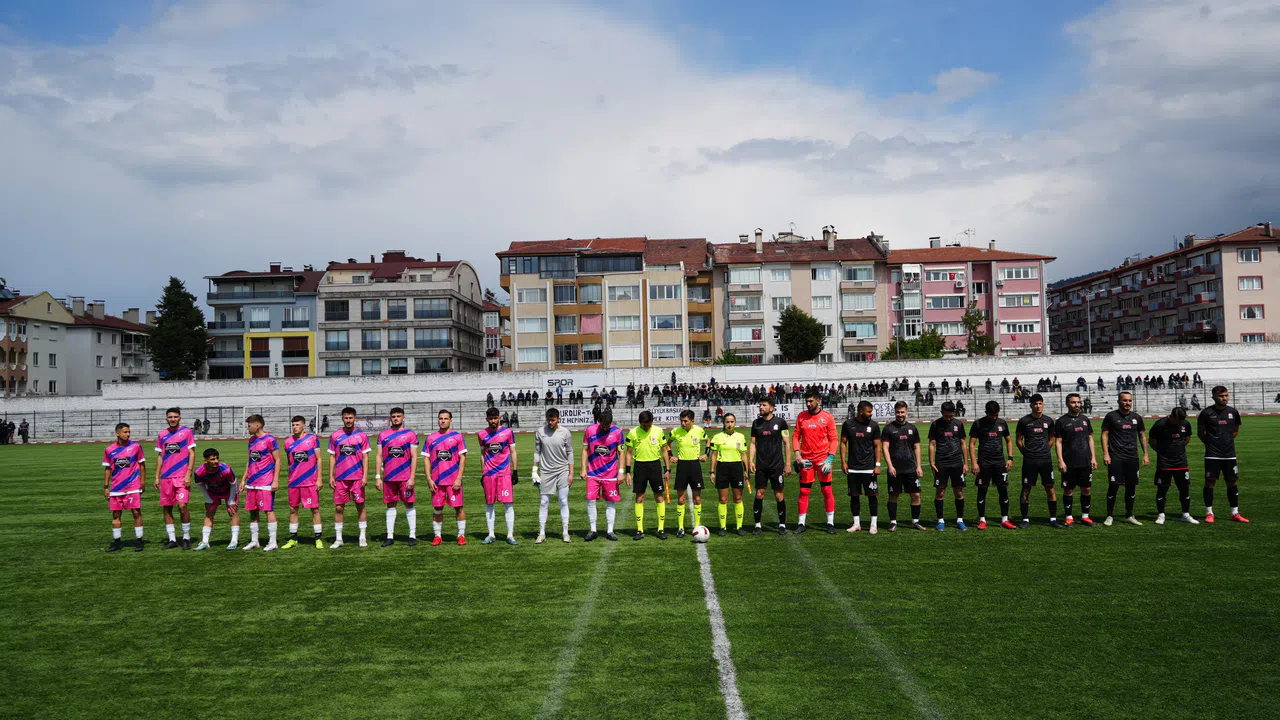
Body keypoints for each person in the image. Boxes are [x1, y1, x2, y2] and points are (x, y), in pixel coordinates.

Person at [1197, 386, 1247, 523]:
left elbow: (1235, 431)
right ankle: (1209, 513)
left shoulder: (1233, 412)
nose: (1224, 398)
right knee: (1210, 482)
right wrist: (1212, 444)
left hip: (1230, 454)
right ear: (1213, 397)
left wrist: (1226, 442)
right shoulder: (1206, 413)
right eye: (1221, 396)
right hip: (1212, 455)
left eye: (1226, 395)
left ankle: (1235, 513)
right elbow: (1201, 433)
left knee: (1232, 482)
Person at [792, 390, 839, 534]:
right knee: (804, 491)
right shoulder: (801, 417)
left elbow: (834, 439)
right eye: (806, 401)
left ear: (818, 400)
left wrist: (830, 459)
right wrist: (798, 455)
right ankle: (801, 523)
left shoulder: (827, 417)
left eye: (811, 401)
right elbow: (795, 437)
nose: (808, 404)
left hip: (823, 460)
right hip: (806, 461)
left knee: (826, 490)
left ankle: (830, 523)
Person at [1101, 391, 1150, 526]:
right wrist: (1106, 453)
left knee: (1131, 487)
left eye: (1129, 400)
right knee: (1114, 486)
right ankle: (1110, 515)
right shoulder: (1111, 417)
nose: (1127, 403)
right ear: (1118, 401)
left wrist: (1145, 454)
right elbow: (1104, 435)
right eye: (1124, 400)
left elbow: (1142, 436)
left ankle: (1129, 515)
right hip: (1116, 457)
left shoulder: (1137, 418)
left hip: (1132, 457)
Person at [328, 407, 372, 548]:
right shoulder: (335, 436)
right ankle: (339, 539)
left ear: (355, 419)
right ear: (342, 418)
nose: (348, 420)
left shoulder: (362, 436)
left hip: (357, 478)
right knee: (339, 508)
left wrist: (365, 475)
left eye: (350, 418)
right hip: (340, 478)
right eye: (346, 418)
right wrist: (331, 476)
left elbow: (365, 457)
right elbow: (332, 457)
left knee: (360, 506)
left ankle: (362, 537)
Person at [153, 407, 196, 550]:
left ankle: (186, 538)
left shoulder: (186, 432)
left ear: (180, 418)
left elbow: (192, 453)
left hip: (182, 476)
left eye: (175, 417)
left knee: (182, 506)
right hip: (166, 477)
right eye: (170, 417)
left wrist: (189, 473)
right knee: (167, 508)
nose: (173, 419)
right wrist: (157, 476)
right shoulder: (162, 435)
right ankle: (172, 539)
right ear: (166, 419)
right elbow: (160, 456)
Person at [1016, 394, 1062, 528]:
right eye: (1035, 404)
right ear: (1031, 405)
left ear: (1043, 405)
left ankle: (1053, 519)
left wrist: (1046, 449)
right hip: (1030, 461)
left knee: (1050, 488)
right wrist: (1026, 453)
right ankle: (1025, 519)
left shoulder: (1048, 421)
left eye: (1040, 403)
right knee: (1026, 488)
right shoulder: (1024, 421)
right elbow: (1019, 441)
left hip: (1045, 460)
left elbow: (1052, 438)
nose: (1038, 406)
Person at [423, 409, 468, 545]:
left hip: (453, 480)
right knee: (437, 509)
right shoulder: (431, 438)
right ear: (438, 420)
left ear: (450, 421)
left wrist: (459, 477)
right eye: (440, 418)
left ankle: (461, 535)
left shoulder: (457, 437)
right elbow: (426, 459)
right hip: (437, 481)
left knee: (458, 507)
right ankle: (437, 536)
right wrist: (429, 479)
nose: (443, 421)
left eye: (446, 418)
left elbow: (463, 458)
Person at [376, 407, 419, 547]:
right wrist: (378, 476)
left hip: (405, 477)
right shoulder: (383, 435)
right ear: (390, 418)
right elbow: (378, 456)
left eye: (398, 416)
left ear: (403, 418)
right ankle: (389, 536)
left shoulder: (410, 434)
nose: (395, 418)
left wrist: (412, 477)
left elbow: (414, 457)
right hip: (388, 477)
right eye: (393, 416)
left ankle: (412, 535)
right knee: (390, 505)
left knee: (409, 504)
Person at [969, 400, 1015, 530]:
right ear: (986, 413)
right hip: (984, 463)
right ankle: (982, 520)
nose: (995, 417)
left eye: (996, 415)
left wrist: (1010, 458)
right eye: (992, 415)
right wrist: (974, 462)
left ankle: (1004, 519)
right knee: (982, 490)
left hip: (1000, 462)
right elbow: (972, 443)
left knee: (1003, 490)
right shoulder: (978, 424)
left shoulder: (1002, 423)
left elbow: (1009, 441)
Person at [881, 401, 926, 531]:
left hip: (911, 468)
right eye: (898, 412)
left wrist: (919, 466)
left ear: (906, 412)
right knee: (894, 495)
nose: (900, 415)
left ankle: (915, 522)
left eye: (902, 412)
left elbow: (917, 448)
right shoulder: (888, 428)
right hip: (895, 469)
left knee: (916, 495)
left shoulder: (912, 428)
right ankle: (893, 522)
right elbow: (885, 448)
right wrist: (890, 466)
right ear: (894, 412)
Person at [749, 398, 791, 535]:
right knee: (759, 494)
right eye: (760, 405)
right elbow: (753, 444)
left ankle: (782, 525)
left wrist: (788, 464)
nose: (761, 407)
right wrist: (751, 460)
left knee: (779, 495)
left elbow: (787, 443)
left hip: (777, 466)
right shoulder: (756, 423)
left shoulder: (781, 423)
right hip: (761, 466)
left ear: (772, 408)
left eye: (764, 405)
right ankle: (757, 525)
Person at [1149, 407, 1198, 525]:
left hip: (1181, 462)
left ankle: (1185, 514)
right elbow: (1152, 441)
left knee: (1184, 489)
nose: (1180, 423)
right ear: (1172, 417)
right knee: (1162, 489)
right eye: (1178, 421)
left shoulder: (1185, 424)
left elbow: (1187, 439)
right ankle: (1161, 515)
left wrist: (1179, 450)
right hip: (1164, 462)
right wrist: (1162, 452)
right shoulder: (1160, 424)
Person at [1053, 394, 1096, 527]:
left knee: (1086, 489)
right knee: (1069, 490)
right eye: (1073, 402)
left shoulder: (1085, 420)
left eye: (1078, 402)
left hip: (1085, 461)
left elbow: (1090, 439)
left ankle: (1085, 516)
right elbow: (1058, 442)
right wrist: (1060, 460)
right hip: (1069, 462)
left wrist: (1093, 457)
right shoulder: (1061, 421)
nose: (1076, 405)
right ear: (1067, 404)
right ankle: (1069, 517)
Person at [240, 414, 282, 551]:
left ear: (257, 425)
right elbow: (250, 460)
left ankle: (272, 541)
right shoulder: (251, 440)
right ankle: (254, 541)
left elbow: (278, 460)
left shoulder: (270, 440)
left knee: (268, 510)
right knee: (253, 511)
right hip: (252, 482)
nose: (248, 427)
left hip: (265, 482)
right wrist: (243, 479)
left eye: (249, 425)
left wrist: (275, 480)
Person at [283, 415, 325, 549]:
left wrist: (319, 479)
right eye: (293, 425)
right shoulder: (287, 442)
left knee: (314, 509)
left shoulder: (312, 439)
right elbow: (289, 462)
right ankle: (293, 539)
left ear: (303, 426)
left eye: (297, 425)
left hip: (310, 481)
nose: (295, 427)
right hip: (294, 482)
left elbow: (319, 459)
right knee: (293, 509)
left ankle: (318, 538)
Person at [103, 422, 146, 552]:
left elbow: (142, 465)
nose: (128, 434)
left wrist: (143, 482)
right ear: (118, 433)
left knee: (136, 512)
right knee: (116, 515)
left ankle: (139, 541)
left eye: (129, 432)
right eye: (125, 432)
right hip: (116, 488)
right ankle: (117, 542)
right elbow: (107, 469)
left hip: (132, 486)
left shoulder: (136, 447)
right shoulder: (109, 449)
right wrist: (106, 487)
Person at [625, 410, 668, 540]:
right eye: (644, 425)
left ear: (652, 422)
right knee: (639, 498)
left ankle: (660, 529)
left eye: (648, 424)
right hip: (640, 467)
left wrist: (667, 469)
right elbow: (628, 453)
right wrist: (627, 472)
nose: (646, 427)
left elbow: (664, 450)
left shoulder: (659, 431)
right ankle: (639, 530)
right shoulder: (633, 433)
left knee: (659, 498)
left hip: (655, 466)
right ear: (640, 423)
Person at [840, 400, 881, 534]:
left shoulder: (874, 426)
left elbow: (877, 446)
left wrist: (878, 465)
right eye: (869, 411)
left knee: (872, 496)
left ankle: (873, 524)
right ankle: (856, 523)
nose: (871, 413)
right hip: (853, 467)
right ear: (861, 411)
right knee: (854, 496)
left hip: (869, 468)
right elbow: (843, 443)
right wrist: (843, 462)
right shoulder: (848, 424)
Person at [478, 407, 518, 545]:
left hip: (504, 473)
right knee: (490, 503)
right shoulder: (482, 434)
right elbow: (483, 454)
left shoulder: (508, 432)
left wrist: (515, 471)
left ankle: (510, 535)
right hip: (489, 474)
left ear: (499, 418)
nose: (493, 421)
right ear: (487, 419)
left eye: (495, 418)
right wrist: (483, 472)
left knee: (508, 504)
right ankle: (491, 534)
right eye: (490, 419)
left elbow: (513, 451)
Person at [533, 407, 573, 543]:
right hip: (546, 471)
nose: (550, 423)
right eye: (548, 420)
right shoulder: (540, 432)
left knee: (563, 501)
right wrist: (534, 470)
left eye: (553, 420)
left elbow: (570, 452)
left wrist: (571, 472)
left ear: (558, 419)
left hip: (562, 470)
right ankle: (542, 533)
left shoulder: (565, 433)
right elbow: (537, 451)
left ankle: (565, 532)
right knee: (544, 502)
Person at [582, 409, 623, 542]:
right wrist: (583, 469)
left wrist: (621, 472)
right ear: (598, 422)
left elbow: (621, 453)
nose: (605, 428)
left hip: (611, 473)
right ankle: (593, 529)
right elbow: (585, 450)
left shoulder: (617, 432)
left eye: (607, 426)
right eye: (603, 425)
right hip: (592, 472)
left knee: (610, 501)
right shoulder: (590, 430)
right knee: (591, 500)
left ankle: (610, 531)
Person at [928, 401, 969, 531]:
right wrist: (932, 463)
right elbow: (932, 444)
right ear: (942, 413)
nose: (948, 418)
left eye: (951, 416)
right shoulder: (935, 425)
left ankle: (960, 520)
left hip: (957, 463)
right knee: (940, 492)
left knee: (959, 492)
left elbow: (963, 443)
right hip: (942, 463)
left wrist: (966, 463)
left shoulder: (958, 424)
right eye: (946, 416)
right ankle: (940, 520)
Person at [666, 409, 706, 539]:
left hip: (695, 465)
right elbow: (667, 443)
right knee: (681, 499)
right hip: (682, 466)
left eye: (685, 421)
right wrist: (671, 455)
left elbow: (708, 440)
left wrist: (707, 453)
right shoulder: (675, 432)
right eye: (681, 421)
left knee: (697, 499)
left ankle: (697, 526)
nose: (683, 423)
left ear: (692, 421)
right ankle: (681, 528)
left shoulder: (699, 431)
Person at [192, 448, 240, 550]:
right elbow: (199, 484)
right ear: (206, 461)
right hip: (213, 491)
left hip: (229, 490)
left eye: (217, 458)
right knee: (209, 513)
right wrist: (207, 498)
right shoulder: (199, 472)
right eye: (213, 459)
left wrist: (231, 500)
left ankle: (234, 541)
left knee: (232, 512)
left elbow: (233, 483)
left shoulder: (225, 469)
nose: (216, 461)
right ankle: (205, 542)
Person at [708, 413, 748, 536]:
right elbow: (714, 455)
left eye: (732, 422)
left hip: (736, 468)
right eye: (727, 422)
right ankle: (722, 527)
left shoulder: (740, 436)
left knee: (738, 498)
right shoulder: (717, 437)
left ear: (735, 423)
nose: (729, 424)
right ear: (724, 423)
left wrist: (746, 470)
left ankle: (739, 526)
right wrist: (712, 472)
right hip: (722, 468)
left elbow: (743, 454)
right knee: (723, 499)